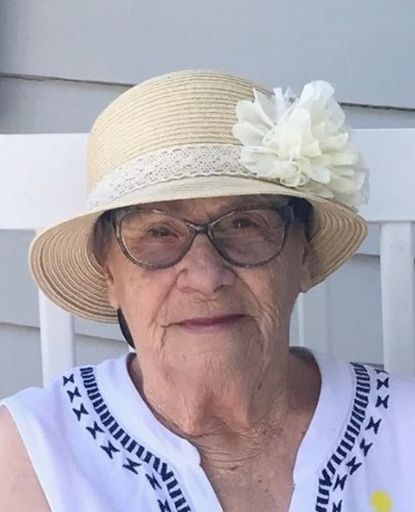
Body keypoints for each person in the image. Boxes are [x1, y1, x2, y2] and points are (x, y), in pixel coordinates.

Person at [0, 70, 412, 512]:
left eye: (244, 224)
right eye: (158, 232)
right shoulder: (28, 455)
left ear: (303, 255)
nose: (206, 276)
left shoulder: (402, 430)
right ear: (109, 274)